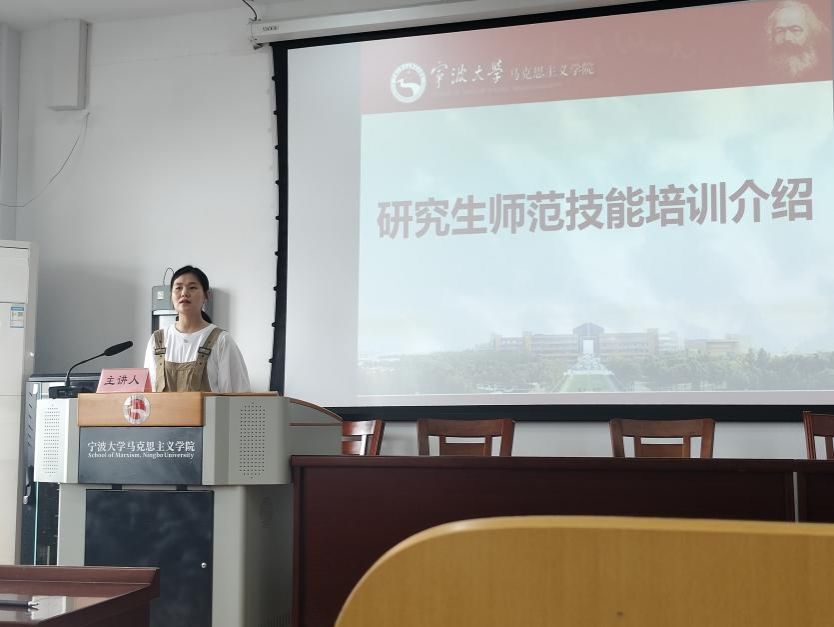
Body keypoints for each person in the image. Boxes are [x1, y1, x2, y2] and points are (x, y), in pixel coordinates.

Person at [143, 265, 251, 392]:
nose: (184, 293)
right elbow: (147, 395)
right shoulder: (157, 340)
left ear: (206, 295)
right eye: (178, 288)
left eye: (192, 287)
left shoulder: (221, 341)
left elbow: (238, 395)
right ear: (171, 296)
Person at [766, 0, 830, 79]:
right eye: (780, 31)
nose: (787, 38)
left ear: (810, 33)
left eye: (795, 30)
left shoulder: (826, 71)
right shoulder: (763, 73)